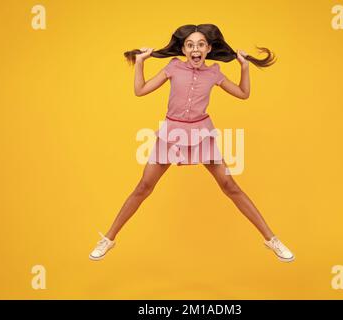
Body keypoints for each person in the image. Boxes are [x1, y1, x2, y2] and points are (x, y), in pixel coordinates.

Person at [89, 24, 295, 263]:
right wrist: (141, 63)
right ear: (183, 49)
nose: (195, 49)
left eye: (200, 44)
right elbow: (140, 90)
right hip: (172, 133)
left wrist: (245, 67)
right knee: (144, 186)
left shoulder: (214, 73)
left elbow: (243, 93)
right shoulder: (173, 67)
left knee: (229, 185)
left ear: (208, 49)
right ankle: (108, 239)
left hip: (200, 133)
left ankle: (272, 240)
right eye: (190, 45)